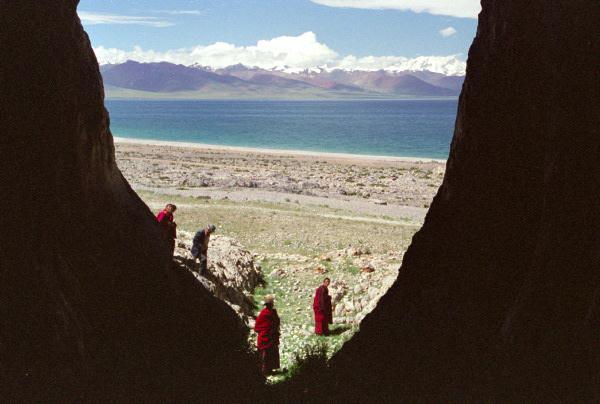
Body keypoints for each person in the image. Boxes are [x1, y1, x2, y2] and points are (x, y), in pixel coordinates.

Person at [254, 295, 280, 376]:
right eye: (269, 304)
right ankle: (264, 371)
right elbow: (257, 327)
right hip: (265, 338)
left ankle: (269, 370)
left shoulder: (272, 312)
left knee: (270, 354)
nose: (270, 305)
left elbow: (277, 322)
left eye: (270, 304)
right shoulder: (264, 314)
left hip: (271, 337)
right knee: (265, 355)